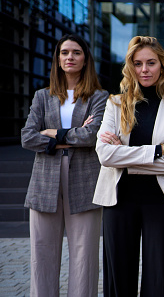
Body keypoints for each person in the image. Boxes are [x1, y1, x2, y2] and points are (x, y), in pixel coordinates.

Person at [93, 36, 164, 296]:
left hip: (161, 200)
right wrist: (158, 151)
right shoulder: (115, 104)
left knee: (163, 278)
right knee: (119, 277)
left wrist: (124, 156)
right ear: (130, 67)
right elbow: (105, 155)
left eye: (151, 63)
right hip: (119, 199)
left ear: (162, 65)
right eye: (138, 64)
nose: (144, 70)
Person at [21, 34, 108, 297]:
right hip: (44, 181)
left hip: (84, 180)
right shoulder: (42, 96)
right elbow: (27, 137)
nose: (70, 57)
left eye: (76, 53)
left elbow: (92, 135)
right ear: (58, 59)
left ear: (85, 59)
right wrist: (69, 136)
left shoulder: (99, 97)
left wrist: (51, 133)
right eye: (64, 52)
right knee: (42, 253)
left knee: (85, 254)